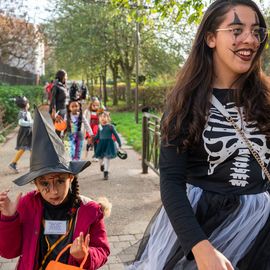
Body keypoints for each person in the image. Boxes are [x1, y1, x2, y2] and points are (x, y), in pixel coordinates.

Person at [128, 1, 270, 269]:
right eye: (237, 30)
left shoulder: (266, 98)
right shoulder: (185, 101)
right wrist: (200, 248)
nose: (250, 39)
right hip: (201, 227)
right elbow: (171, 182)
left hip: (261, 229)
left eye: (257, 31)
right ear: (211, 38)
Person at [0, 107, 110, 270]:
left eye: (59, 181)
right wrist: (9, 219)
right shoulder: (27, 205)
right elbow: (9, 252)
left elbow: (102, 250)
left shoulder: (90, 211)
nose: (53, 191)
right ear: (35, 183)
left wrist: (85, 254)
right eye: (45, 183)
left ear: (71, 177)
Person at [94, 111, 122, 180]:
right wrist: (92, 140)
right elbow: (97, 136)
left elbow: (116, 135)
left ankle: (105, 173)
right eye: (101, 117)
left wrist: (119, 143)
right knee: (100, 158)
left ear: (108, 118)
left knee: (107, 158)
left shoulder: (110, 127)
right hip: (101, 144)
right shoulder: (99, 127)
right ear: (99, 119)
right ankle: (102, 165)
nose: (102, 118)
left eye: (104, 117)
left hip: (109, 144)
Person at [9, 96, 33, 173]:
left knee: (31, 148)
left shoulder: (27, 112)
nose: (29, 104)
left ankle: (33, 166)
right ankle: (13, 163)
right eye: (28, 103)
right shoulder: (22, 113)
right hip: (24, 133)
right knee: (24, 148)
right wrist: (31, 123)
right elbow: (21, 122)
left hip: (29, 132)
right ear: (25, 105)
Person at [50, 69, 68, 137]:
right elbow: (53, 99)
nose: (66, 78)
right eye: (65, 76)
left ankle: (61, 143)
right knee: (59, 130)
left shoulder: (62, 86)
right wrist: (53, 111)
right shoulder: (56, 86)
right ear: (62, 76)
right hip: (58, 111)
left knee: (66, 128)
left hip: (64, 110)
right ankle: (57, 145)